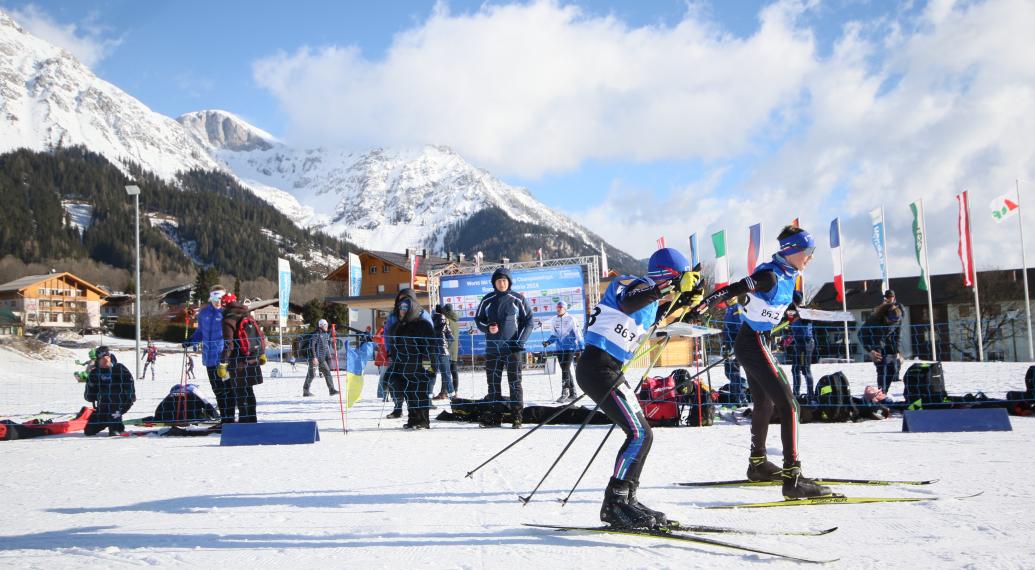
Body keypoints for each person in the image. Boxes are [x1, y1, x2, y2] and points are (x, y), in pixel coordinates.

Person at [691, 226, 831, 499]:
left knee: (765, 403)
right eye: (808, 251)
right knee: (790, 405)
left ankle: (758, 464)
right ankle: (793, 479)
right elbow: (735, 288)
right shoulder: (769, 275)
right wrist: (704, 304)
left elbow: (772, 305)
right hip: (753, 342)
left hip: (754, 340)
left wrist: (788, 313)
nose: (811, 256)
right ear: (792, 251)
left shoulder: (789, 274)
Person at [577, 247, 701, 529]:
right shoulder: (632, 283)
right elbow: (628, 301)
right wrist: (668, 287)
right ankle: (615, 503)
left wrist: (686, 303)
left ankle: (628, 498)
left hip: (608, 369)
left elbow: (656, 314)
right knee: (639, 434)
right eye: (680, 278)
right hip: (597, 367)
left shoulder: (650, 300)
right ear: (669, 274)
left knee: (643, 434)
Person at [475, 267, 534, 428]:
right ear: (494, 283)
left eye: (504, 280)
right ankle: (495, 417)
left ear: (509, 282)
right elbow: (478, 319)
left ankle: (517, 417)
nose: (502, 283)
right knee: (493, 384)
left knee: (515, 383)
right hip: (493, 350)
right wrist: (488, 328)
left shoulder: (517, 299)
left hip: (512, 350)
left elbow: (529, 321)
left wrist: (520, 342)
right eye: (499, 281)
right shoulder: (487, 300)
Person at [385, 290, 436, 429]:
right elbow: (394, 346)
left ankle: (423, 421)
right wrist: (394, 360)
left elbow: (429, 348)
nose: (402, 311)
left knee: (421, 393)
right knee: (409, 393)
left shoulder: (423, 324)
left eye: (405, 308)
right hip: (405, 366)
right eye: (400, 308)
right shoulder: (399, 326)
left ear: (412, 308)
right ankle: (412, 420)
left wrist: (428, 367)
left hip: (421, 366)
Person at [185, 285, 230, 424]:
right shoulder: (204, 314)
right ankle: (224, 419)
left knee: (227, 390)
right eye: (215, 299)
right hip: (209, 359)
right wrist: (190, 341)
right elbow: (200, 333)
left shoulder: (226, 313)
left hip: (224, 359)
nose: (217, 302)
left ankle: (229, 418)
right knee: (217, 390)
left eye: (220, 299)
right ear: (211, 298)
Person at [218, 293, 265, 423]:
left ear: (225, 305)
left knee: (240, 394)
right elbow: (260, 335)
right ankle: (252, 420)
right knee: (249, 391)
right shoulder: (247, 314)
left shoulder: (228, 319)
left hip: (238, 362)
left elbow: (229, 344)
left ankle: (244, 423)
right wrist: (262, 353)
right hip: (253, 358)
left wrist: (223, 363)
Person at [84, 346, 135, 436]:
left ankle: (116, 427)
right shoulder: (95, 373)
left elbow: (129, 384)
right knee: (89, 430)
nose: (105, 361)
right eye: (102, 359)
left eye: (107, 358)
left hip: (119, 405)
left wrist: (129, 398)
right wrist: (91, 386)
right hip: (103, 406)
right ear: (98, 360)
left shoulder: (119, 368)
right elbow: (89, 396)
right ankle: (107, 420)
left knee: (114, 429)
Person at [543, 300, 585, 402]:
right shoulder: (554, 320)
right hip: (559, 348)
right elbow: (554, 335)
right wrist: (548, 342)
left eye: (560, 307)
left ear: (565, 308)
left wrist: (582, 346)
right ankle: (573, 393)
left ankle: (564, 393)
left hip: (570, 348)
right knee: (565, 370)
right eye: (557, 307)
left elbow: (578, 333)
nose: (558, 309)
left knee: (565, 369)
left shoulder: (571, 319)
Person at [787, 291, 816, 403]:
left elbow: (806, 319)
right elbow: (790, 322)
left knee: (805, 369)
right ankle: (796, 394)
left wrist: (798, 313)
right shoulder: (791, 310)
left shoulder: (805, 311)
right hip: (798, 342)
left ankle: (810, 395)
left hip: (806, 343)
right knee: (795, 369)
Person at [303, 319, 339, 397]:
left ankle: (331, 390)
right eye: (326, 325)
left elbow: (326, 344)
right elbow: (312, 346)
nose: (327, 327)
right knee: (311, 374)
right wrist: (314, 357)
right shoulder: (316, 334)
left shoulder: (325, 334)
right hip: (315, 358)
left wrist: (333, 339)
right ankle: (306, 391)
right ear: (322, 325)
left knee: (327, 372)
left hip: (322, 359)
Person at [721, 297, 747, 404]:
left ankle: (739, 398)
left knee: (733, 370)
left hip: (736, 342)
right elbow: (727, 328)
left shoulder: (737, 308)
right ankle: (743, 386)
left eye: (730, 298)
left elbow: (740, 325)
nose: (728, 300)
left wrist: (735, 345)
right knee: (728, 371)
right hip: (728, 342)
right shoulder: (729, 309)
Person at [431, 305, 456, 400]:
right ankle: (452, 395)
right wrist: (447, 344)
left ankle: (428, 396)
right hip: (443, 352)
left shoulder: (428, 322)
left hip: (429, 353)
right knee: (446, 374)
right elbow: (451, 337)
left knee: (430, 374)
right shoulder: (445, 321)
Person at [442, 304, 461, 394]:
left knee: (446, 372)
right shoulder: (456, 321)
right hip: (454, 350)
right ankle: (455, 391)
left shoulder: (447, 321)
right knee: (454, 371)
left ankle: (444, 392)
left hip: (447, 349)